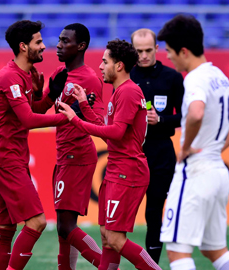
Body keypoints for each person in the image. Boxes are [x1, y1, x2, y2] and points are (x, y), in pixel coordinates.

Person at [58, 39, 161, 270]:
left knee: (115, 239)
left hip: (128, 172)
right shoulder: (120, 92)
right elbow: (110, 134)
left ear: (120, 65)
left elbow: (115, 132)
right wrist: (84, 107)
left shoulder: (128, 92)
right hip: (117, 169)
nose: (101, 66)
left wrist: (75, 120)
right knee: (106, 237)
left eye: (105, 61)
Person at [157, 14, 229, 270]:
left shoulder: (194, 79)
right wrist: (215, 148)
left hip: (195, 172)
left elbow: (196, 113)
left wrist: (185, 148)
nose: (168, 57)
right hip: (218, 171)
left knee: (177, 253)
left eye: (170, 51)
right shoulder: (219, 76)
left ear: (184, 51)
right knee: (214, 249)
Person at [0, 20, 71, 270]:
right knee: (37, 223)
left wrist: (50, 95)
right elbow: (28, 119)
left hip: (12, 159)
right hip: (6, 160)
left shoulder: (26, 74)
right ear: (23, 47)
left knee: (5, 229)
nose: (44, 46)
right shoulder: (10, 76)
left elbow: (32, 110)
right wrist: (67, 117)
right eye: (38, 42)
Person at [34, 23, 105, 269]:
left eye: (66, 41)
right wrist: (40, 91)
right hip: (63, 154)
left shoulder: (90, 79)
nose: (59, 45)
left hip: (78, 155)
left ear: (81, 46)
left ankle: (107, 265)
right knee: (63, 228)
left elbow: (99, 124)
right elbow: (39, 110)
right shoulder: (58, 74)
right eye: (60, 40)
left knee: (66, 227)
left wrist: (78, 113)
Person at [130, 28, 184, 263]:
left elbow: (186, 116)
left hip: (161, 152)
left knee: (154, 212)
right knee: (123, 213)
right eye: (139, 51)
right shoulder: (127, 75)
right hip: (132, 152)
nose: (143, 55)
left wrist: (160, 119)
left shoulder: (171, 77)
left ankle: (151, 265)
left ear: (156, 49)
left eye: (148, 50)